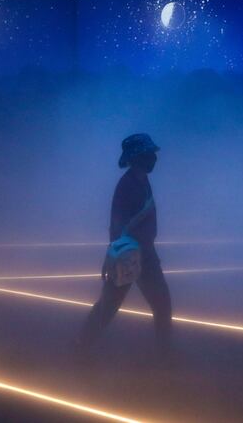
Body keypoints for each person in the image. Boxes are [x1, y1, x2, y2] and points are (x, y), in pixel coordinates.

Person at [76, 133, 173, 356]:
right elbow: (117, 223)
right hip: (128, 255)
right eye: (149, 154)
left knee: (161, 304)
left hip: (144, 254)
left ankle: (165, 354)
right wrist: (113, 255)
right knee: (109, 306)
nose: (154, 159)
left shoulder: (141, 180)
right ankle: (80, 346)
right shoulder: (126, 185)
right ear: (138, 157)